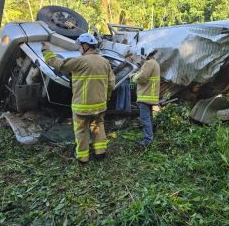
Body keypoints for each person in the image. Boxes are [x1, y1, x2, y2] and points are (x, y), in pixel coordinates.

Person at [41, 33, 115, 163]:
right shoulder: (105, 62)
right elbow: (111, 84)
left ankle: (83, 157)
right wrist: (106, 99)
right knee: (98, 127)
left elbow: (55, 63)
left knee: (81, 131)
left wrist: (46, 49)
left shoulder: (79, 61)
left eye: (80, 46)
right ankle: (100, 153)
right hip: (99, 105)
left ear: (85, 46)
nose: (79, 49)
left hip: (82, 107)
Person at [132, 48, 160, 146]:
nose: (142, 58)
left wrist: (133, 77)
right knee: (149, 118)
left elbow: (142, 78)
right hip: (151, 95)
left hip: (145, 95)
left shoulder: (148, 63)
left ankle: (147, 140)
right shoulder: (155, 63)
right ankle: (150, 136)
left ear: (146, 54)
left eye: (143, 56)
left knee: (145, 119)